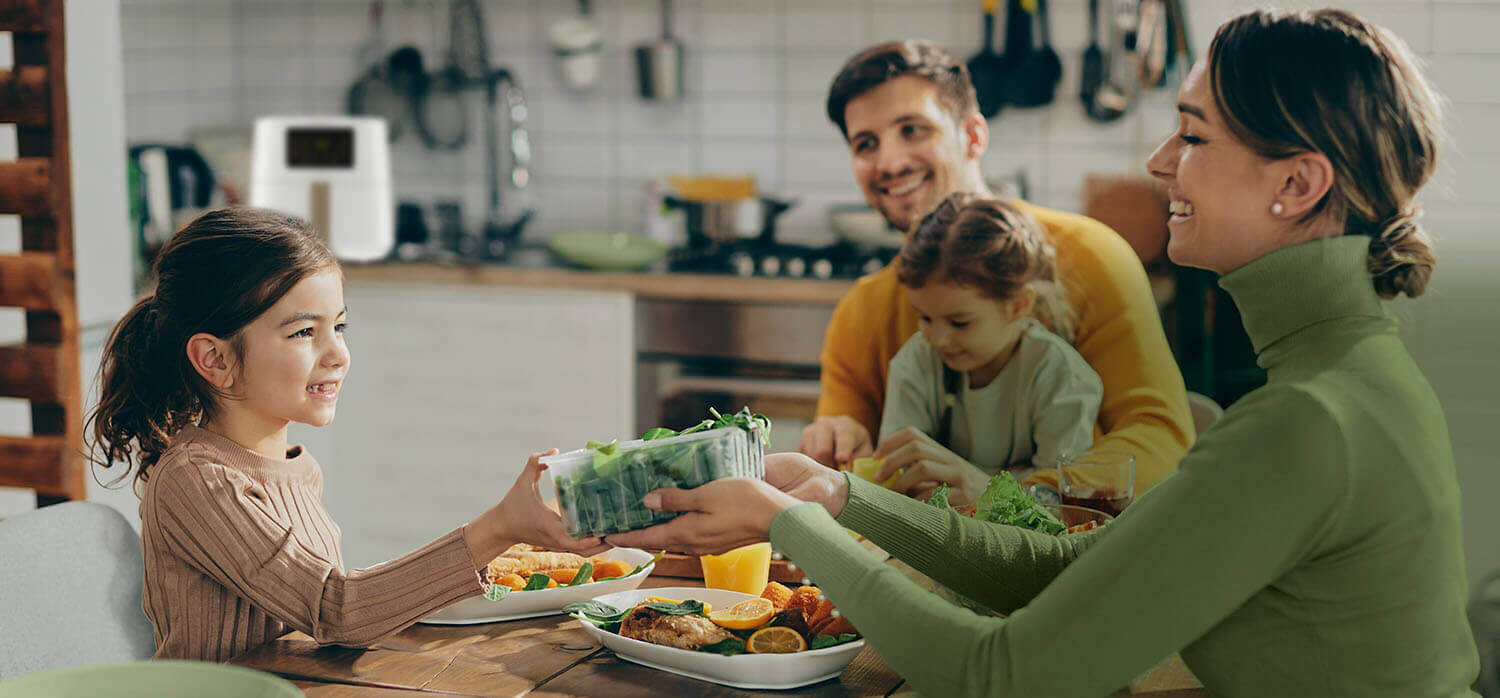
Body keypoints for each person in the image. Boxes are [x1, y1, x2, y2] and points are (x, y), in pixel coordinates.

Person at [610, 10, 1480, 696]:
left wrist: (786, 521)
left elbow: (1004, 677)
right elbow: (1082, 563)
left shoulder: (1304, 419)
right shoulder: (1343, 380)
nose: (1158, 160)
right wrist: (841, 497)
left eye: (1194, 134)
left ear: (1297, 185)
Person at [86, 208, 602, 661]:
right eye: (304, 332)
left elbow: (323, 615)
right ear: (215, 359)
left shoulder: (298, 470)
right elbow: (336, 610)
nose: (337, 354)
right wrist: (495, 529)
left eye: (340, 327)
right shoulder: (197, 482)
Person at [798, 40, 1192, 501]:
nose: (890, 162)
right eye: (866, 144)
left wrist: (1011, 498)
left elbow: (1159, 437)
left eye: (913, 129)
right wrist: (839, 438)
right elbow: (852, 477)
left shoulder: (1091, 257)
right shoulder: (860, 313)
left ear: (973, 136)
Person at [876, 193, 1100, 502]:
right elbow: (899, 476)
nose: (937, 339)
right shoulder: (916, 360)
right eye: (924, 317)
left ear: (1018, 305)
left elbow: (1060, 502)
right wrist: (1019, 480)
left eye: (959, 322)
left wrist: (985, 490)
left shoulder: (1059, 374)